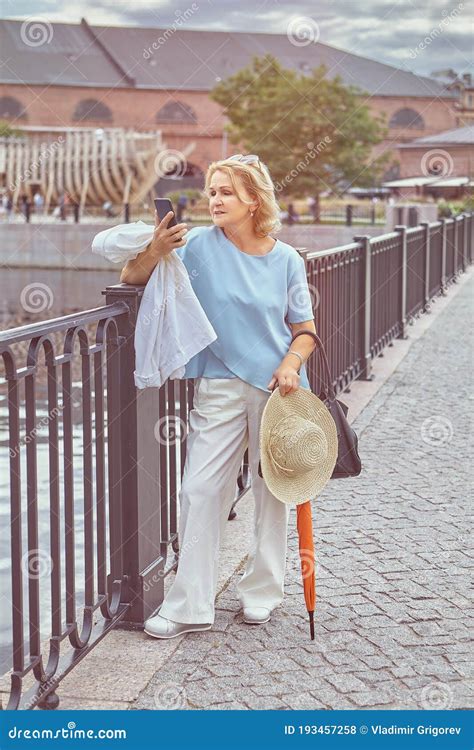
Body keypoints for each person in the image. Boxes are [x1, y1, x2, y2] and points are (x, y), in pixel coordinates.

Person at [120, 154, 317, 639]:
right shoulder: (195, 247)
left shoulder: (286, 258)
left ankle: (263, 592)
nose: (215, 200)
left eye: (227, 191)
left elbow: (305, 332)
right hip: (219, 384)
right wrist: (154, 248)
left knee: (272, 495)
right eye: (212, 191)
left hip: (278, 389)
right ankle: (190, 605)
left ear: (254, 200)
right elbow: (131, 279)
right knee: (200, 489)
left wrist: (291, 363)